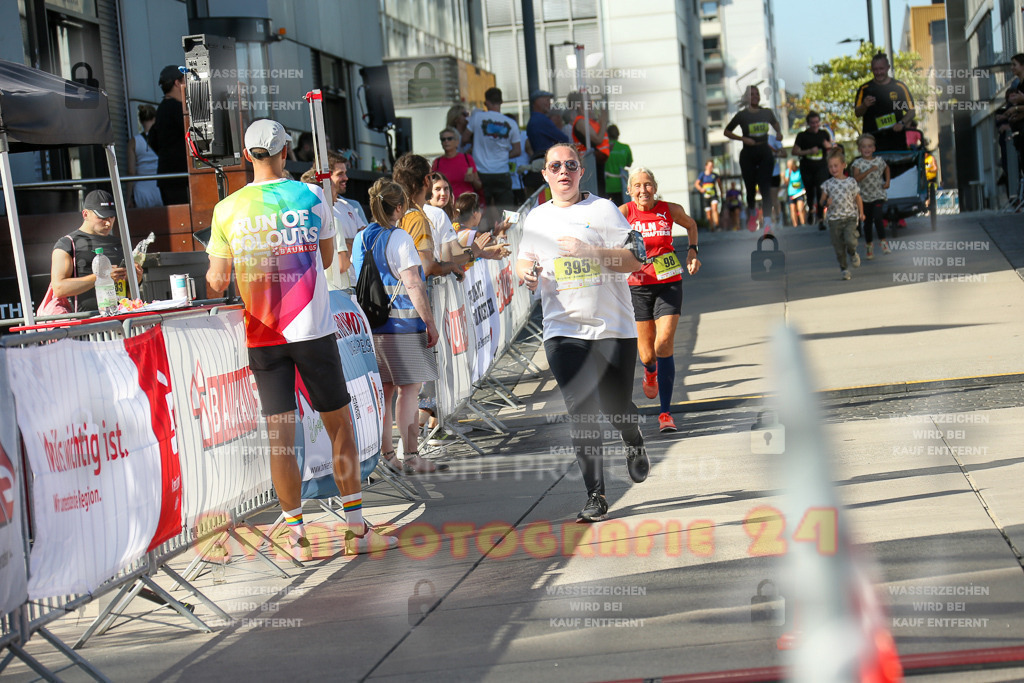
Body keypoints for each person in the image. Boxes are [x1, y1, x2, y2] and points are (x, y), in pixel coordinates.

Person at [205, 119, 395, 556]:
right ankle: (356, 531)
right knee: (339, 428)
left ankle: (296, 537)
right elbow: (328, 258)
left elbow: (216, 282)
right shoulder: (311, 195)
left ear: (245, 156)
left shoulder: (226, 209)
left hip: (264, 334)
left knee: (280, 438)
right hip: (311, 329)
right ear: (285, 152)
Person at [516, 142, 650, 523]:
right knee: (582, 411)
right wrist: (522, 270)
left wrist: (588, 252)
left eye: (570, 165)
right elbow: (526, 256)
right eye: (555, 166)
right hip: (563, 331)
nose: (563, 172)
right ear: (545, 175)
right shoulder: (537, 218)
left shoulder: (603, 210)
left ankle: (632, 436)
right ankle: (596, 496)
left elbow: (634, 259)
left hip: (613, 328)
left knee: (615, 408)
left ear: (581, 172)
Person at [351, 178, 445, 476]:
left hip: (371, 326)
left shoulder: (360, 238)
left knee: (384, 394)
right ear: (401, 207)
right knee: (410, 390)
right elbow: (414, 283)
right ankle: (412, 455)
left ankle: (387, 454)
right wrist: (429, 321)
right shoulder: (401, 238)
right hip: (403, 326)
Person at [620, 167, 700, 433]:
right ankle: (650, 371)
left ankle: (665, 414)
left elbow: (691, 224)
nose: (643, 190)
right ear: (630, 190)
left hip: (669, 282)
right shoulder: (623, 213)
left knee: (664, 342)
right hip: (638, 286)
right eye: (637, 186)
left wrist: (692, 251)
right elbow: (600, 235)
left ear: (655, 186)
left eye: (648, 184)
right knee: (646, 353)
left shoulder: (669, 209)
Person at [50, 190, 144, 312]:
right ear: (85, 214)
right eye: (102, 217)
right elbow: (59, 288)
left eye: (111, 217)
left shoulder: (117, 243)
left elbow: (126, 293)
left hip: (120, 318)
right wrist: (102, 277)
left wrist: (136, 279)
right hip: (87, 323)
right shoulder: (67, 244)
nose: (108, 223)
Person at [392, 154, 463, 279]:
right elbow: (426, 267)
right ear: (426, 180)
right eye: (432, 176)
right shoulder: (417, 218)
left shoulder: (396, 212)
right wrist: (449, 266)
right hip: (411, 294)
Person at [723, 86, 783, 231]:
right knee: (750, 189)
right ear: (746, 98)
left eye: (757, 94)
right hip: (748, 154)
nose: (755, 96)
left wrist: (779, 133)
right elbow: (727, 132)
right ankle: (752, 213)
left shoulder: (766, 113)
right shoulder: (742, 115)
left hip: (764, 152)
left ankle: (768, 222)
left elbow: (776, 126)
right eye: (752, 94)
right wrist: (743, 138)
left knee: (765, 188)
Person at [467, 87, 521, 220]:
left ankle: (484, 237)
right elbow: (517, 150)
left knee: (480, 211)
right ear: (501, 101)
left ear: (486, 102)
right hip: (502, 172)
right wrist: (502, 156)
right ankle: (511, 236)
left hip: (481, 173)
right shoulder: (512, 123)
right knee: (508, 211)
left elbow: (464, 138)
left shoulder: (478, 117)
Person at [854, 53, 916, 152]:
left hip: (896, 142)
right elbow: (857, 113)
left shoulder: (899, 87)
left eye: (881, 69)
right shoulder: (865, 89)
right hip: (873, 144)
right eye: (875, 69)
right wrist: (864, 105)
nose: (878, 72)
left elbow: (911, 111)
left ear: (888, 68)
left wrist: (902, 123)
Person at [820, 148, 864, 281]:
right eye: (830, 167)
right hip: (834, 220)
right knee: (838, 248)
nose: (833, 169)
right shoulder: (828, 184)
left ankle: (852, 252)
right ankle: (844, 269)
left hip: (850, 217)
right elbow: (821, 201)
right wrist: (826, 202)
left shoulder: (851, 181)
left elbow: (858, 198)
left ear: (843, 165)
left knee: (850, 240)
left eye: (836, 166)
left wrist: (861, 213)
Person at [148, 65, 189, 206]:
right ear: (177, 83)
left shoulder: (162, 108)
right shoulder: (177, 109)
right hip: (181, 177)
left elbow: (151, 138)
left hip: (168, 176)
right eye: (186, 80)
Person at [850, 133, 891, 259]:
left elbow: (886, 168)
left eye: (869, 146)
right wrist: (868, 171)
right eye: (864, 147)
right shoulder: (858, 163)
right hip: (864, 197)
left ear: (874, 148)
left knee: (878, 218)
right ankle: (869, 245)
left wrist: (887, 181)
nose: (867, 149)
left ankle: (883, 242)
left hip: (877, 194)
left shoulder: (879, 161)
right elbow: (856, 178)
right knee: (867, 223)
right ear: (859, 149)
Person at [792, 111, 833, 228]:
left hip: (821, 167)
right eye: (812, 123)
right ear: (808, 123)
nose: (815, 125)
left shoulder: (824, 134)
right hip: (807, 168)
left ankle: (820, 218)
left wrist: (828, 146)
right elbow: (794, 151)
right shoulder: (802, 136)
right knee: (810, 192)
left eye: (817, 122)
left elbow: (831, 148)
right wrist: (809, 151)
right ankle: (810, 209)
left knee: (821, 192)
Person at [567, 91, 611, 197]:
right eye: (587, 102)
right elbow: (597, 140)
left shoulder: (589, 121)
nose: (591, 104)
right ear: (579, 105)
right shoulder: (581, 122)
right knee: (595, 196)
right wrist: (604, 122)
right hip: (590, 166)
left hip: (597, 165)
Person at [432, 127, 482, 201]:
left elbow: (479, 186)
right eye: (443, 139)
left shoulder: (467, 158)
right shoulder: (437, 162)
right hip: (446, 205)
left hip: (466, 204)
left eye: (449, 138)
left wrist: (473, 180)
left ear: (457, 142)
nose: (446, 141)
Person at [127, 104, 161, 209]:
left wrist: (128, 198)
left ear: (141, 121)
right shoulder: (162, 138)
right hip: (159, 186)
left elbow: (131, 172)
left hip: (141, 189)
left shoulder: (133, 141)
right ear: (155, 119)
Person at [525, 89, 569, 158]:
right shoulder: (540, 119)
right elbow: (564, 139)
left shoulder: (534, 119)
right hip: (547, 159)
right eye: (547, 100)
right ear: (538, 102)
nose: (549, 104)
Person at [604, 125, 633, 205]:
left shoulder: (605, 148)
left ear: (607, 134)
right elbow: (629, 163)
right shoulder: (625, 147)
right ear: (618, 134)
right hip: (622, 184)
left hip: (607, 184)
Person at [694, 161, 723, 230]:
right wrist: (701, 189)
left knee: (714, 208)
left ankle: (717, 225)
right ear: (706, 167)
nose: (711, 168)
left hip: (714, 195)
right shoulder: (702, 175)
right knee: (708, 213)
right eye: (709, 166)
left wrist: (721, 192)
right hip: (706, 196)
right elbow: (696, 184)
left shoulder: (715, 175)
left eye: (712, 166)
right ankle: (711, 227)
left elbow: (719, 184)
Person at [782, 159, 806, 227]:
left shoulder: (799, 171)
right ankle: (795, 225)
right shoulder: (788, 172)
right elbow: (786, 183)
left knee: (800, 208)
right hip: (791, 193)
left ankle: (803, 223)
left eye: (790, 165)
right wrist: (787, 175)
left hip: (799, 192)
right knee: (792, 209)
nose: (789, 167)